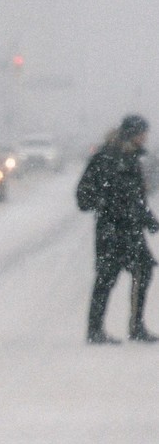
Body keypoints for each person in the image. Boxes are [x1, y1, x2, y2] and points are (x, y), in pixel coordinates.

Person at [77, 114, 159, 344]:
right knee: (106, 278)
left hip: (131, 230)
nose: (145, 138)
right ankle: (96, 330)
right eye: (142, 133)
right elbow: (83, 196)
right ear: (132, 134)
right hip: (111, 230)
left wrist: (149, 220)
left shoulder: (131, 159)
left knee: (143, 271)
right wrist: (106, 204)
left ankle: (135, 327)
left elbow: (136, 198)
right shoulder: (105, 158)